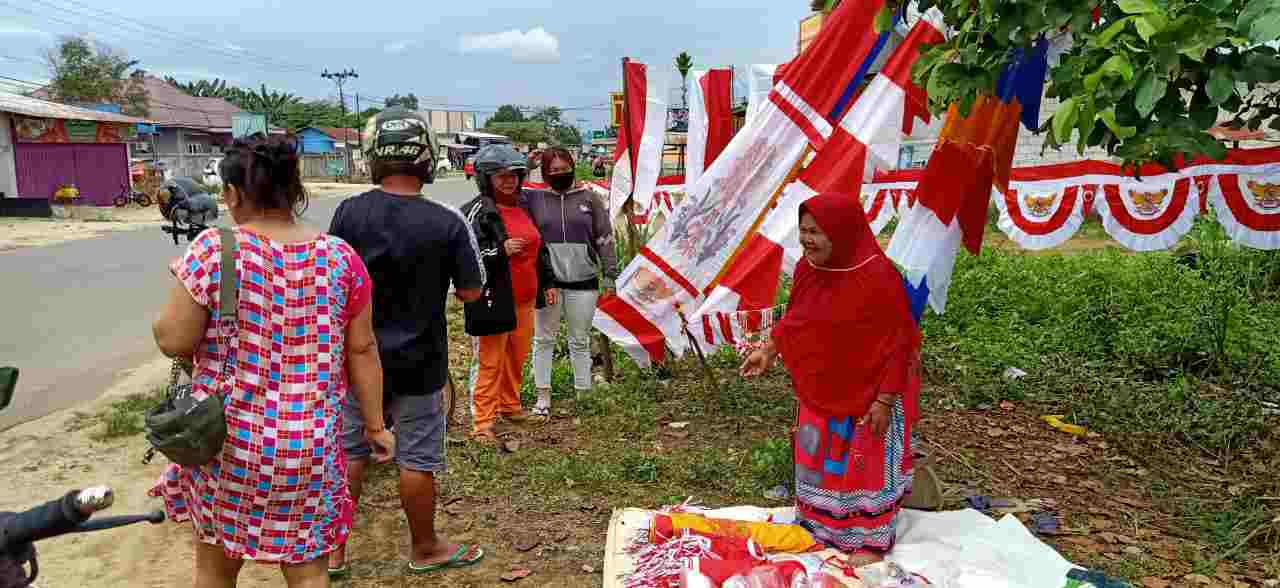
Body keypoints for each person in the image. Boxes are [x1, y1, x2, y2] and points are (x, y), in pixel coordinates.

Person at [150, 133, 395, 588]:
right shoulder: (341, 258)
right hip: (312, 449)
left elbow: (173, 340)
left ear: (232, 193)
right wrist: (376, 426)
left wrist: (179, 282)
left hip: (228, 446)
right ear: (296, 188)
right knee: (308, 572)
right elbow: (362, 349)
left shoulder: (213, 250)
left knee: (216, 570)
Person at [326, 108, 487, 576]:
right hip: (421, 360)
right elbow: (472, 292)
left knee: (350, 453)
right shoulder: (448, 221)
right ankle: (425, 547)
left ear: (376, 157)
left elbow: (332, 278)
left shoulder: (350, 211)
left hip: (356, 359)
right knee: (416, 457)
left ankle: (334, 552)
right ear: (427, 158)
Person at [740, 192, 921, 566]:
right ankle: (822, 528)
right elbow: (797, 320)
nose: (806, 239)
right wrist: (769, 350)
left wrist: (885, 400)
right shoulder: (809, 269)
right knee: (821, 461)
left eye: (816, 232)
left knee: (862, 466)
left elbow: (901, 344)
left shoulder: (879, 276)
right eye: (803, 230)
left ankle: (869, 538)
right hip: (823, 386)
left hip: (871, 393)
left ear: (843, 232)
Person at [459, 145, 557, 440]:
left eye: (514, 175)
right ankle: (482, 422)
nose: (509, 181)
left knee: (516, 356)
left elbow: (539, 249)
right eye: (501, 176)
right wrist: (498, 250)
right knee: (490, 361)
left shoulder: (524, 206)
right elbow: (466, 253)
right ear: (486, 178)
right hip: (493, 299)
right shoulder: (477, 210)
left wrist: (548, 282)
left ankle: (510, 406)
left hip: (525, 298)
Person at [522, 147, 618, 416]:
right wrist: (526, 164)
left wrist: (610, 275)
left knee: (579, 340)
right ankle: (542, 398)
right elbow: (508, 190)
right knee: (543, 340)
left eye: (564, 169)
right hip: (548, 283)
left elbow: (604, 237)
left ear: (573, 167)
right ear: (544, 173)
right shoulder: (535, 199)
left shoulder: (590, 198)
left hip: (584, 280)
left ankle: (583, 393)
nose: (559, 174)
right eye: (553, 171)